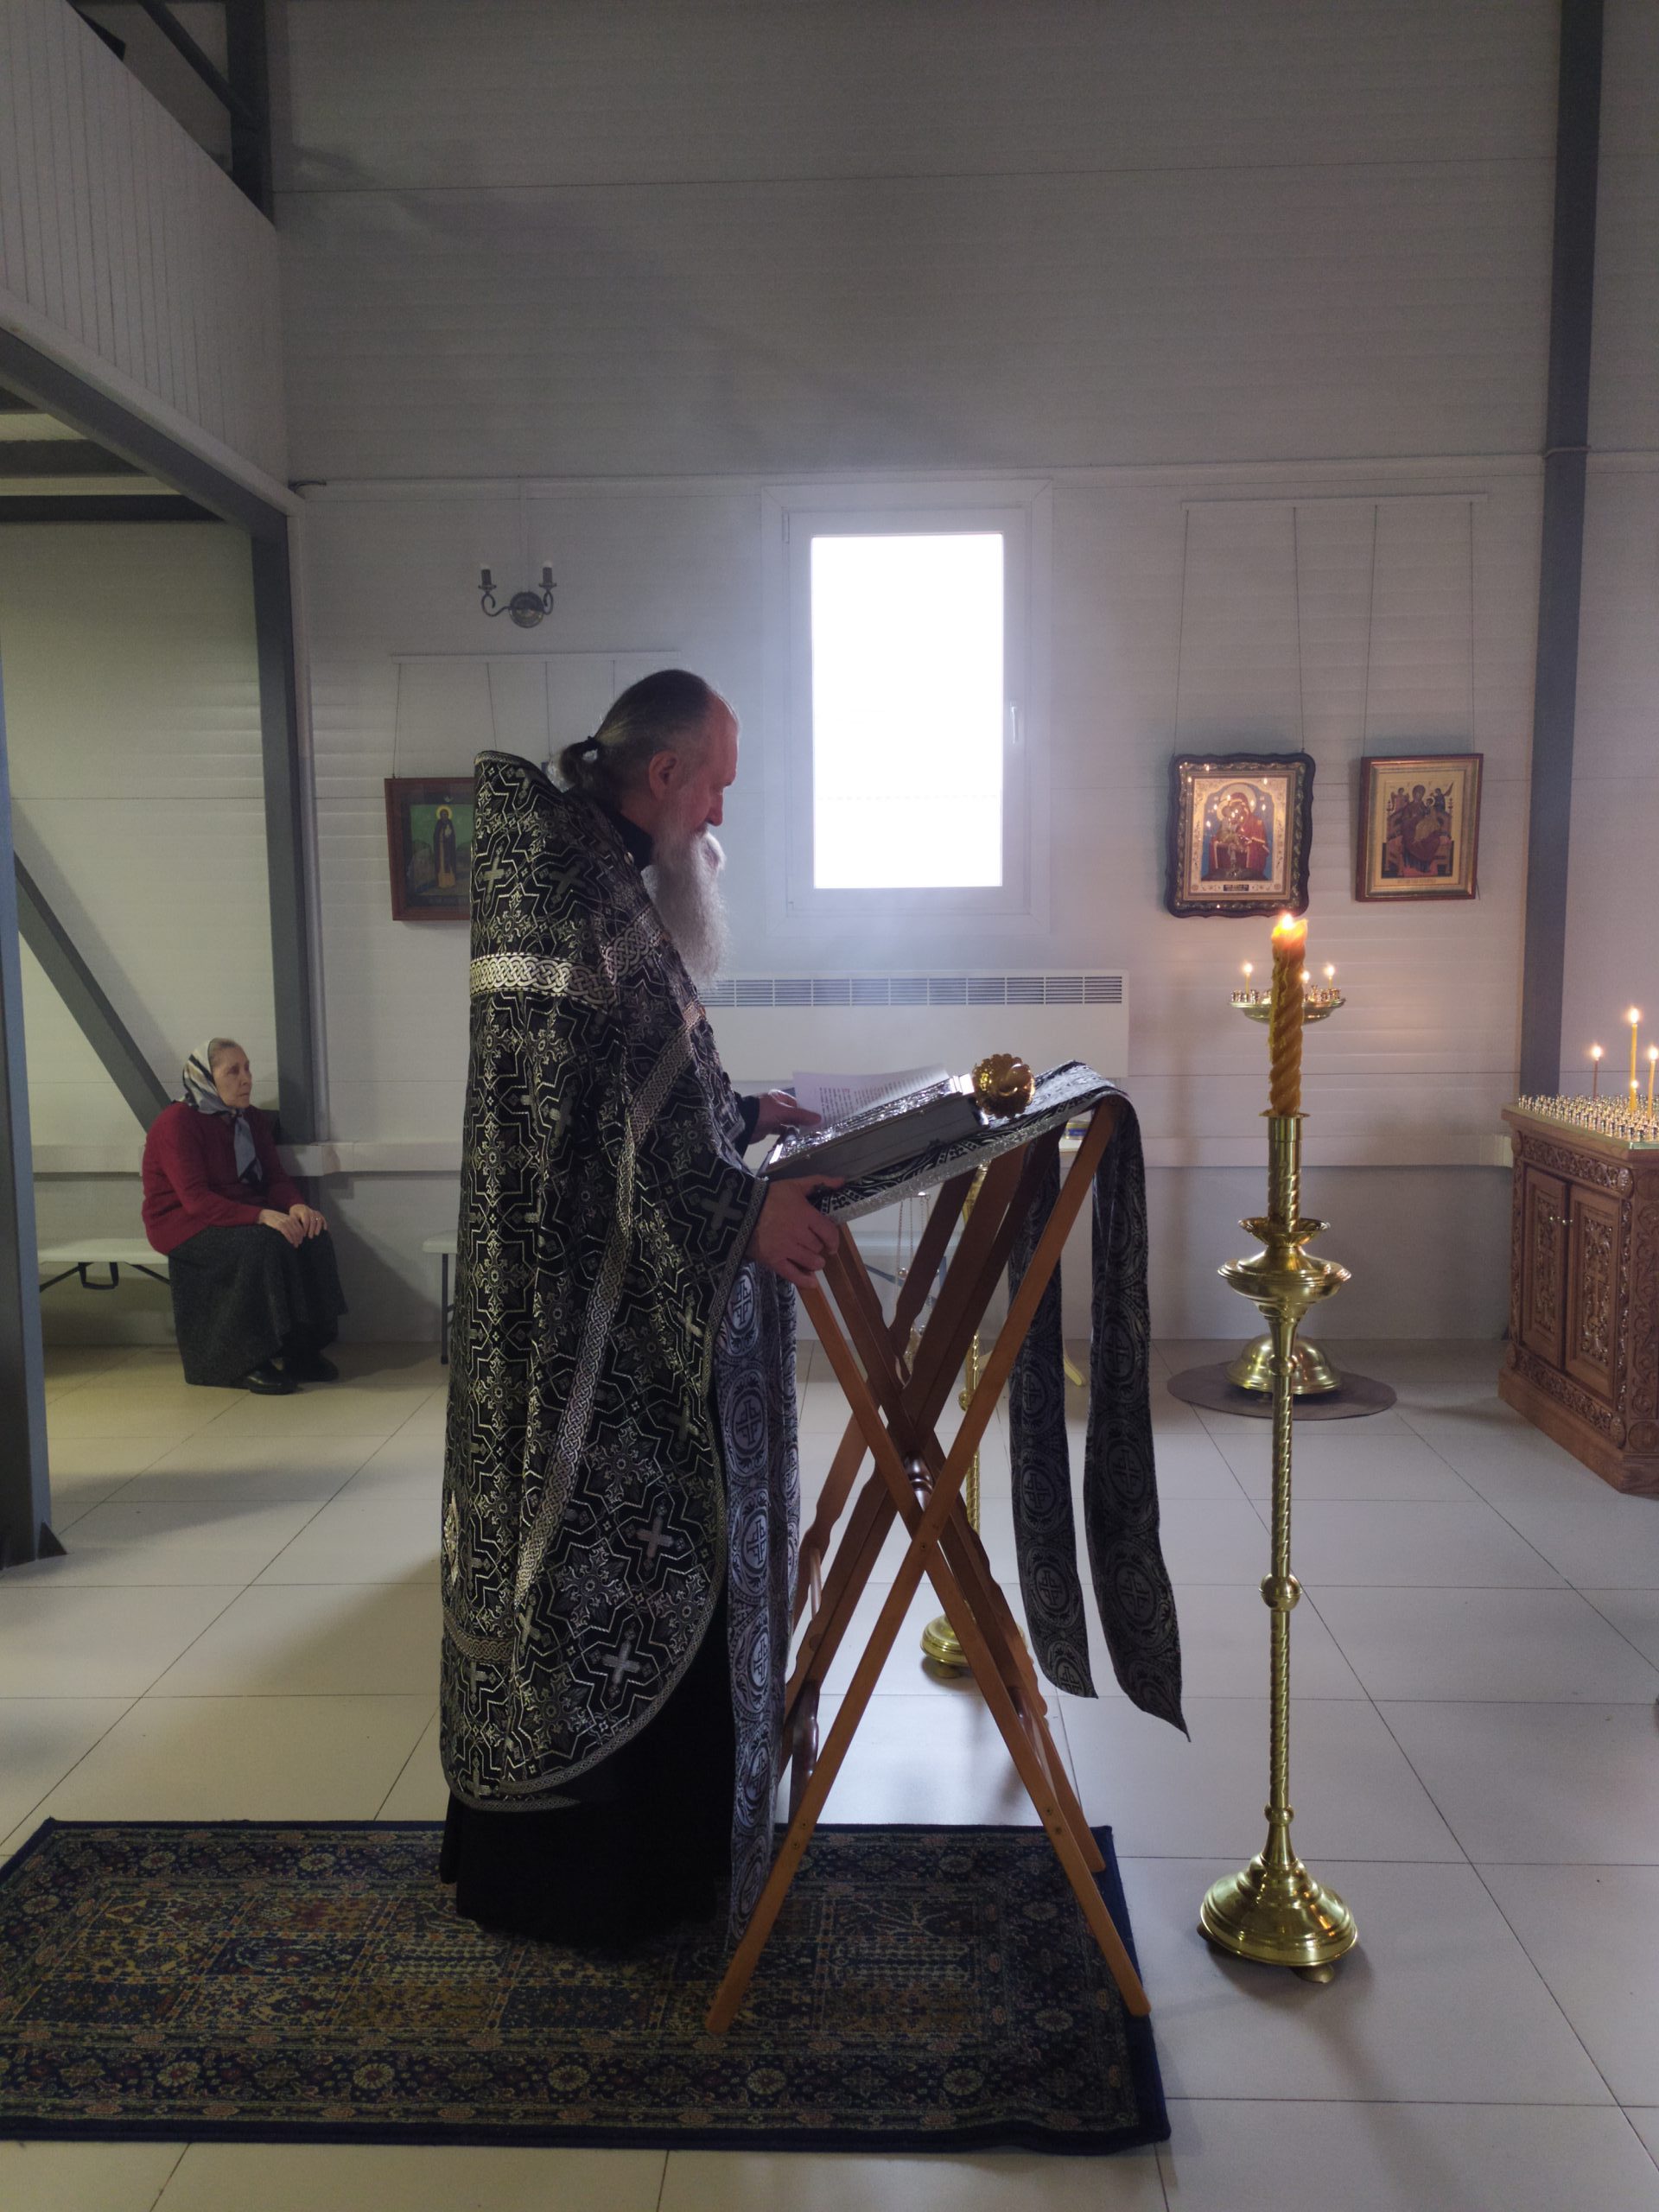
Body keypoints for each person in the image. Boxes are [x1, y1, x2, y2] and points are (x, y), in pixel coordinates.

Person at [440, 669, 836, 1949]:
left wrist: (740, 1113)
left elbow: (630, 1086)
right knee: (606, 1561)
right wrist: (738, 1213)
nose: (721, 812)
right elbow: (593, 1120)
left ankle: (668, 1859)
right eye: (715, 783)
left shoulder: (598, 872)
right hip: (575, 1318)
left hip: (607, 1290)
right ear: (663, 773)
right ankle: (605, 1884)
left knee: (648, 1550)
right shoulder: (573, 885)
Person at [141, 1039, 347, 1396]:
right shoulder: (176, 1123)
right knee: (261, 1245)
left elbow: (275, 1178)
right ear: (205, 1077)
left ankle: (302, 1350)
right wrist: (261, 1215)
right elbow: (196, 1201)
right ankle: (246, 1360)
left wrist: (297, 1207)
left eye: (248, 1068)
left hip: (241, 1212)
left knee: (313, 1233)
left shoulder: (250, 1118)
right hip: (182, 1224)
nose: (246, 1079)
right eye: (233, 1071)